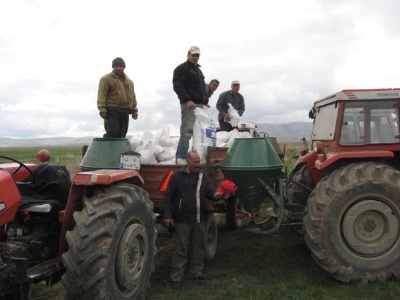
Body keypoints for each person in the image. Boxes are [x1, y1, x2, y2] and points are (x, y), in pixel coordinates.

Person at [163, 151, 216, 290]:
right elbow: (168, 197)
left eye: (199, 162)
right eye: (195, 162)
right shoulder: (177, 176)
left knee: (198, 247)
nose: (198, 165)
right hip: (182, 219)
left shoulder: (202, 176)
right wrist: (168, 216)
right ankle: (176, 278)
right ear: (188, 161)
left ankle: (197, 273)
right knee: (180, 248)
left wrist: (220, 194)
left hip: (199, 218)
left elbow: (211, 193)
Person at [173, 46, 207, 164]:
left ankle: (195, 158)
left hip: (200, 106)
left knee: (199, 134)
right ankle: (181, 157)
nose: (195, 58)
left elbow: (201, 88)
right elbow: (178, 86)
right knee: (187, 132)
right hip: (189, 105)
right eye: (193, 55)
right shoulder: (181, 69)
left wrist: (205, 101)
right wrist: (187, 100)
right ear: (188, 54)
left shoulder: (198, 71)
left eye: (197, 55)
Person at [97, 57, 138, 138]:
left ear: (124, 67)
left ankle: (119, 151)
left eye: (121, 66)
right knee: (112, 132)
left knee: (122, 135)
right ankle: (107, 150)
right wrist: (102, 109)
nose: (119, 68)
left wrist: (134, 111)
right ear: (113, 67)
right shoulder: (106, 79)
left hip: (125, 110)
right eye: (116, 66)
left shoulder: (129, 82)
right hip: (112, 110)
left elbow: (132, 97)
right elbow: (102, 95)